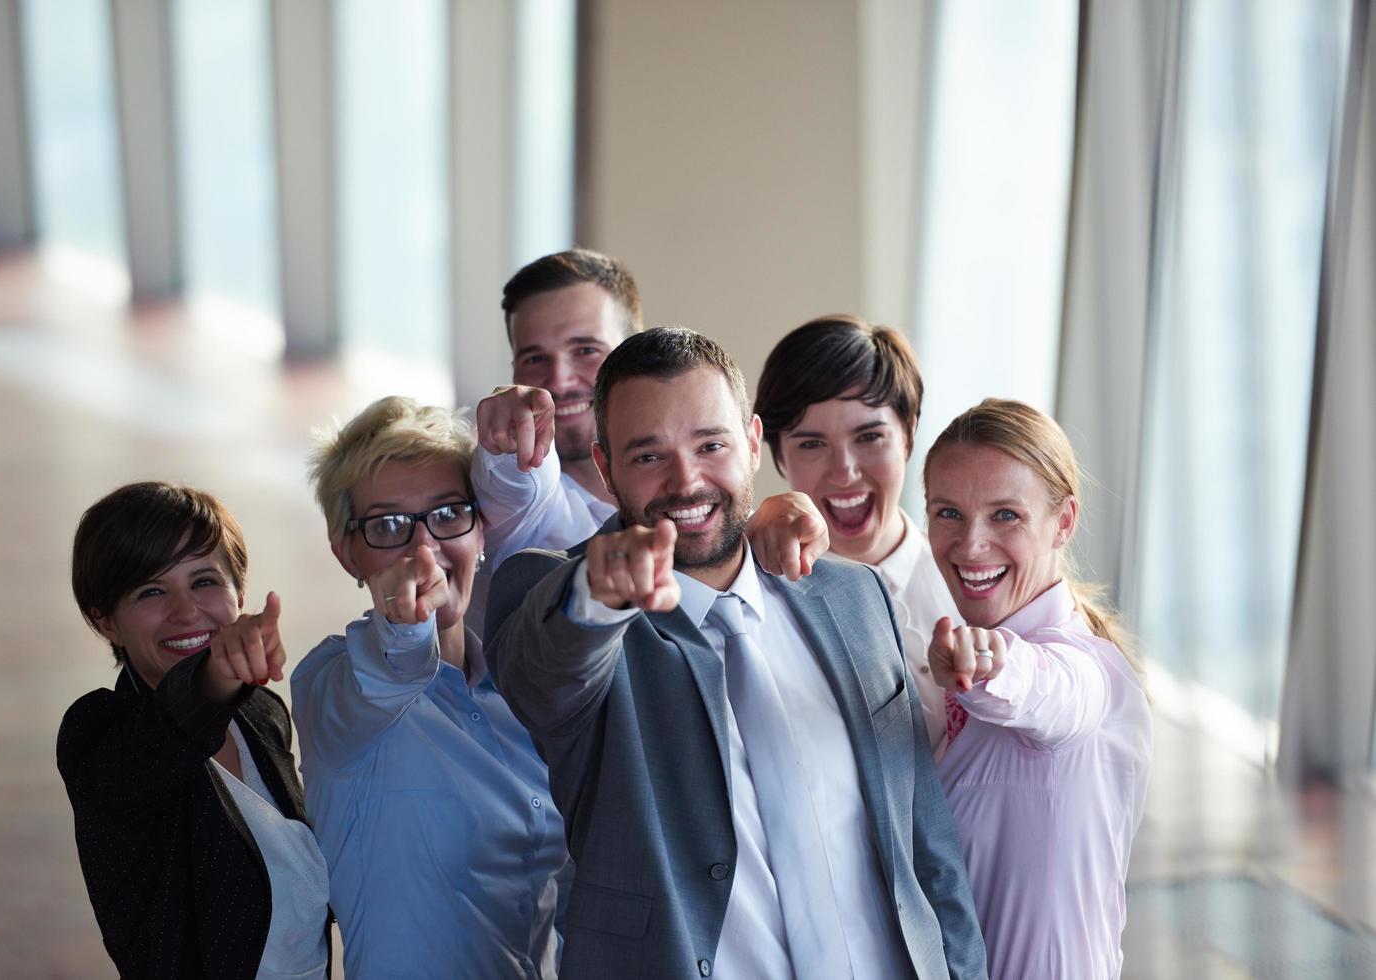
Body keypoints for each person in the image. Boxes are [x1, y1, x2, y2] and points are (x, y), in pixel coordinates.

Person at [486, 328, 987, 979]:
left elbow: (926, 845)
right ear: (605, 469)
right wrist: (598, 597)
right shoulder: (563, 597)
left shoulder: (853, 594)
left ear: (752, 445)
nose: (686, 480)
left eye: (710, 445)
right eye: (648, 456)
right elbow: (544, 674)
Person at [292, 396, 569, 978]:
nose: (424, 549)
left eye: (447, 514)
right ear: (348, 554)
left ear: (482, 532)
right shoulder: (332, 684)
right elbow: (384, 675)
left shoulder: (520, 689)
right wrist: (403, 626)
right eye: (388, 525)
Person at [58, 481, 330, 980]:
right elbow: (159, 746)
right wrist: (213, 681)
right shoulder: (98, 734)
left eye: (204, 581)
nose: (186, 611)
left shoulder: (262, 714)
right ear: (106, 622)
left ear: (240, 594)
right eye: (151, 591)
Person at [921, 399, 1153, 980]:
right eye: (948, 513)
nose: (971, 545)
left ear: (1064, 522)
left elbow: (1048, 689)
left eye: (1006, 515)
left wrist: (993, 666)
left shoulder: (1086, 668)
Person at [752, 314, 957, 751]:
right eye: (811, 443)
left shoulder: (966, 589)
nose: (844, 471)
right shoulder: (753, 599)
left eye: (869, 437)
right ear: (777, 455)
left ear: (909, 433)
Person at [468, 249, 641, 625]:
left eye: (585, 350)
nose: (559, 380)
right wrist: (503, 439)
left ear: (635, 352)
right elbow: (512, 481)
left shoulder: (682, 483)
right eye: (534, 358)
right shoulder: (523, 505)